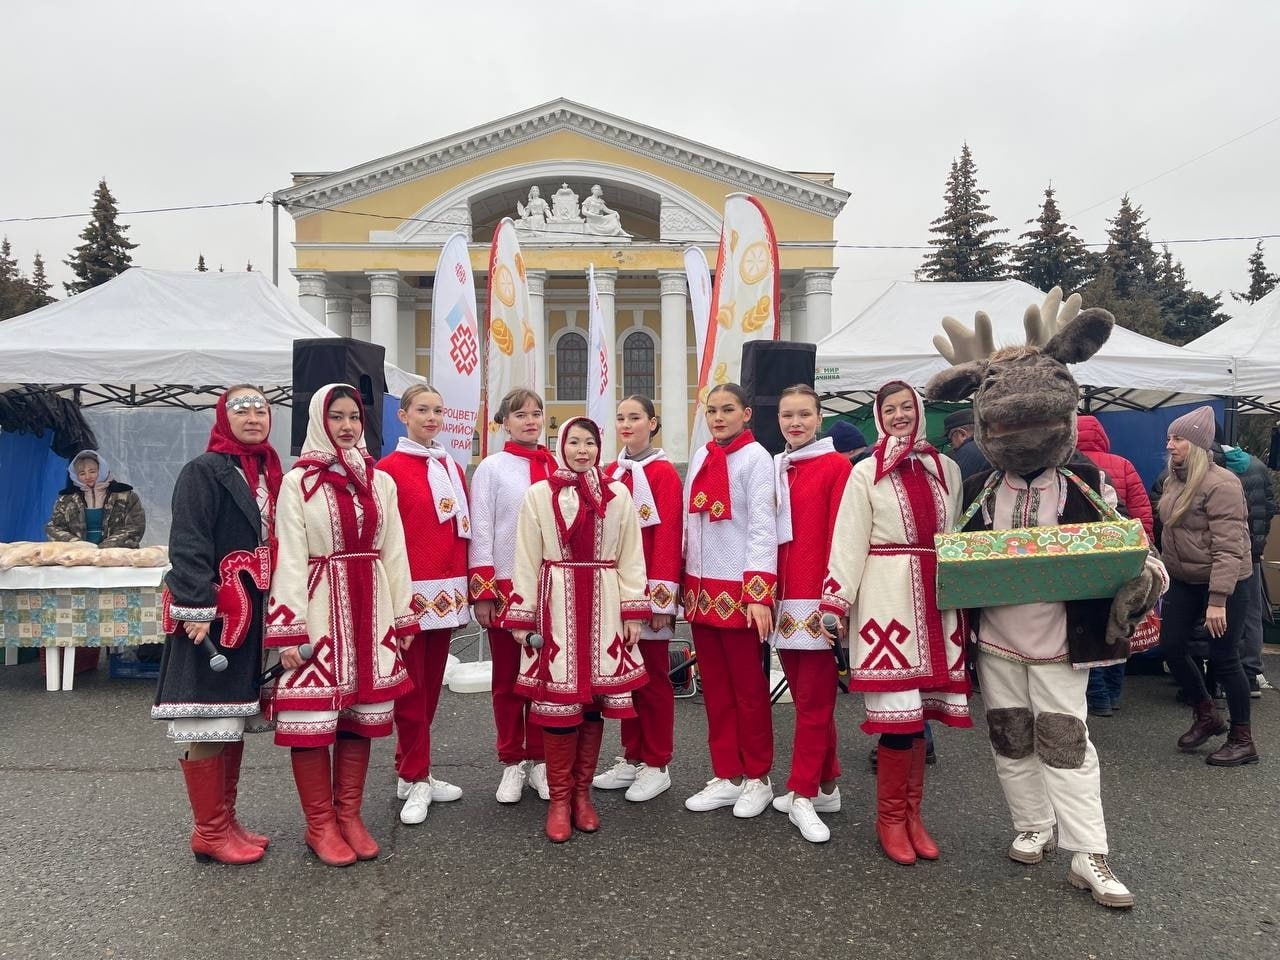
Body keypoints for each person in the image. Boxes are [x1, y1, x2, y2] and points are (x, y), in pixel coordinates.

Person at [265, 384, 419, 867]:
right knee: (313, 721)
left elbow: (394, 550)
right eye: (337, 416)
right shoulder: (298, 483)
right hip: (319, 606)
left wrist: (402, 613)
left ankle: (349, 815)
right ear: (318, 421)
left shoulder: (381, 481)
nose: (348, 425)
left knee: (359, 716)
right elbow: (288, 555)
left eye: (354, 416)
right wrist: (289, 629)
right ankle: (320, 824)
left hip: (370, 603)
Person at [821, 381, 969, 865]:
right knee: (898, 719)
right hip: (888, 599)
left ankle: (912, 814)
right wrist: (835, 602)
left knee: (923, 715)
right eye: (891, 409)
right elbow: (848, 539)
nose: (901, 415)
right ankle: (889, 819)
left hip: (936, 598)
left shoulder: (946, 468)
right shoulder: (865, 472)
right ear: (879, 417)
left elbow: (954, 537)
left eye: (908, 407)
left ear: (919, 412)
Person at [151, 386, 282, 865]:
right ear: (223, 418)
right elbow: (187, 541)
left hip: (253, 613)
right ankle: (209, 831)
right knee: (208, 718)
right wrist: (195, 608)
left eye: (260, 409)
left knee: (232, 717)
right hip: (213, 617)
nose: (252, 417)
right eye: (240, 409)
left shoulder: (271, 470)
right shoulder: (202, 471)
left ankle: (226, 820)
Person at [505, 416, 650, 842]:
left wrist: (632, 611)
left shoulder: (618, 494)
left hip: (603, 604)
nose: (582, 450)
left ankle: (582, 795)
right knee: (558, 703)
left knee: (592, 703)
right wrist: (523, 613)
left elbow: (631, 555)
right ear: (561, 445)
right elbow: (527, 557)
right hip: (556, 607)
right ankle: (560, 800)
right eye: (574, 442)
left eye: (589, 442)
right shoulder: (538, 494)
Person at [682, 383, 779, 819]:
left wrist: (758, 592)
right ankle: (726, 773)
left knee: (749, 691)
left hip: (739, 593)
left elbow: (763, 526)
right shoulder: (703, 457)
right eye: (712, 410)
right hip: (702, 592)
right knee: (716, 691)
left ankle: (758, 776)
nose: (718, 417)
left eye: (727, 410)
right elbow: (690, 525)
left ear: (746, 414)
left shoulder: (757, 459)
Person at [377, 384, 469, 825]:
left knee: (430, 688)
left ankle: (412, 770)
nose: (431, 418)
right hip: (410, 592)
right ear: (403, 415)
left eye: (437, 410)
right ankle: (416, 776)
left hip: (448, 590)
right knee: (410, 690)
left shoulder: (450, 465)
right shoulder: (388, 470)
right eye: (422, 410)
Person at [768, 385, 851, 844]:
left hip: (817, 599)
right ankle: (828, 783)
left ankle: (802, 793)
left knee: (816, 704)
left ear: (819, 418)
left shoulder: (837, 467)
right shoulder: (779, 466)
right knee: (806, 701)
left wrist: (834, 599)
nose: (794, 423)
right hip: (782, 599)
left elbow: (841, 534)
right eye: (786, 415)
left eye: (803, 415)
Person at [1156, 406, 1259, 766]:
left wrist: (1218, 600)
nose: (1170, 445)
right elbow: (1171, 533)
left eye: (1178, 438)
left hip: (1225, 583)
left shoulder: (1222, 484)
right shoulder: (1174, 480)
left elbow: (1230, 546)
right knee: (1170, 647)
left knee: (1225, 659)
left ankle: (1242, 739)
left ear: (1198, 445)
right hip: (1185, 580)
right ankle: (1206, 714)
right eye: (1169, 437)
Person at [593, 395, 683, 802]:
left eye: (635, 418)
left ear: (653, 422)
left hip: (650, 594)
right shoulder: (609, 472)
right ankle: (631, 756)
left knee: (654, 681)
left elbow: (667, 539)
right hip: (616, 593)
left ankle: (657, 761)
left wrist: (662, 602)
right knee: (626, 680)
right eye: (621, 418)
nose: (626, 424)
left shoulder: (664, 475)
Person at [469, 388, 558, 803]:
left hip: (551, 587)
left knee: (543, 676)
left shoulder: (556, 465)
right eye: (520, 414)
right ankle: (511, 760)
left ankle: (541, 759)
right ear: (504, 421)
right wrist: (483, 590)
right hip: (506, 586)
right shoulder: (492, 468)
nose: (530, 421)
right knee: (507, 679)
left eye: (536, 413)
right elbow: (482, 530)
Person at [1075, 414, 1155, 717]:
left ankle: (1098, 698)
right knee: (1119, 623)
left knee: (1089, 625)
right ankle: (1115, 692)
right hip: (1120, 555)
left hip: (1085, 557)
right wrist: (1145, 550)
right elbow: (1139, 510)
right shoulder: (1122, 464)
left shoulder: (1067, 467)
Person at [1216, 431, 1278, 697]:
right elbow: (1269, 505)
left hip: (1220, 551)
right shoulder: (1257, 465)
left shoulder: (1213, 467)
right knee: (1252, 613)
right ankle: (1251, 673)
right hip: (1251, 551)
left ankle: (1217, 676)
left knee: (1216, 610)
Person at [46, 449, 145, 548]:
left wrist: (108, 546)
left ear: (101, 470)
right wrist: (76, 544)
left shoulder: (125, 496)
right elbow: (54, 527)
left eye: (92, 471)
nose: (88, 477)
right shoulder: (66, 500)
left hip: (117, 555)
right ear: (75, 476)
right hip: (77, 556)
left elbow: (136, 526)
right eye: (82, 473)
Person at [942, 408, 991, 479]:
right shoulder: (995, 445)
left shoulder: (967, 453)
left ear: (962, 434)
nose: (952, 447)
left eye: (950, 440)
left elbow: (958, 488)